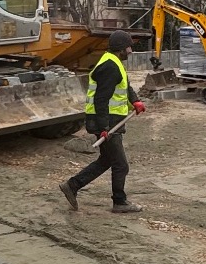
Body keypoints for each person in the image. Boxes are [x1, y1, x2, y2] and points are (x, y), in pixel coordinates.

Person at [60, 45, 146, 215]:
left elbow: (125, 86)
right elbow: (101, 99)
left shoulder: (114, 62)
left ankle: (72, 185)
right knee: (120, 164)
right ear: (120, 48)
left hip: (111, 121)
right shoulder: (110, 66)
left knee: (107, 160)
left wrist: (135, 101)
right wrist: (104, 127)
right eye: (128, 48)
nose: (129, 52)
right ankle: (119, 202)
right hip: (108, 122)